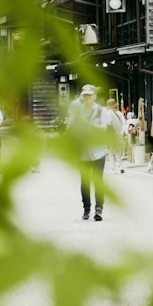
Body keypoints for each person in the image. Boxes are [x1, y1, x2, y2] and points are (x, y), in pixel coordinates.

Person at [65, 84, 111, 221]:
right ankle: (86, 209)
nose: (87, 98)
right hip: (82, 152)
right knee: (84, 182)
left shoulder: (101, 111)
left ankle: (99, 209)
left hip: (99, 151)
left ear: (95, 96)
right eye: (85, 95)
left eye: (90, 95)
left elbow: (104, 128)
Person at [105, 98, 127, 174]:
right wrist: (121, 133)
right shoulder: (119, 113)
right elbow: (124, 123)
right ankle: (121, 167)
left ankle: (113, 169)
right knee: (118, 152)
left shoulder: (108, 113)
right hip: (119, 135)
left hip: (111, 135)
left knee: (111, 152)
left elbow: (108, 123)